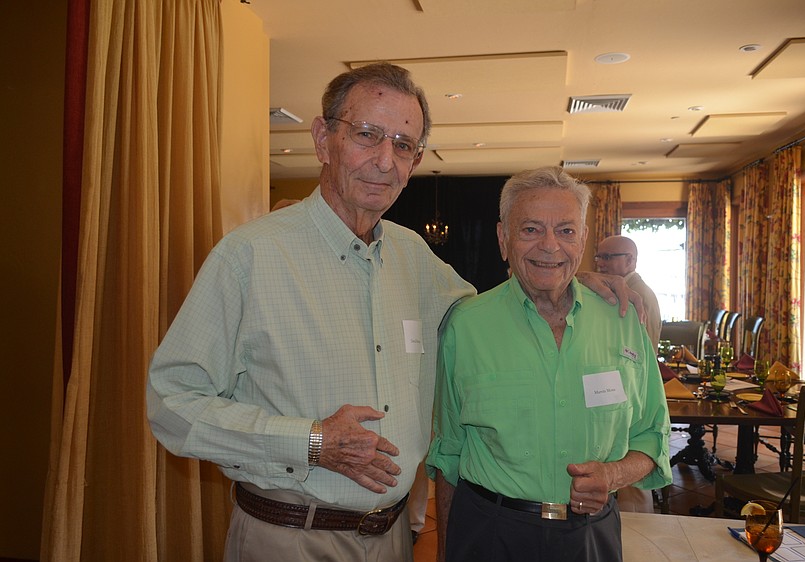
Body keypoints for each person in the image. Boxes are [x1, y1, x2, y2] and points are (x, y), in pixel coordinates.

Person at [147, 64, 640, 562]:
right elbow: (171, 403)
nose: (385, 160)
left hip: (392, 538)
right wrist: (311, 441)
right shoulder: (250, 257)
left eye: (404, 145)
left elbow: (487, 316)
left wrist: (566, 279)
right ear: (323, 139)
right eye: (367, 135)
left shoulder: (414, 257)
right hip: (291, 535)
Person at [426, 166, 672, 562]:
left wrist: (612, 475)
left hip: (591, 535)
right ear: (503, 239)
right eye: (530, 230)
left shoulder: (624, 320)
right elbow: (449, 453)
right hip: (489, 534)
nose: (550, 246)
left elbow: (653, 437)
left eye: (566, 230)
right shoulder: (465, 326)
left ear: (584, 240)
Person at [595, 234, 662, 349]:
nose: (599, 263)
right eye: (598, 257)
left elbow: (641, 349)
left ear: (629, 260)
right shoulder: (623, 289)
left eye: (606, 257)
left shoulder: (637, 295)